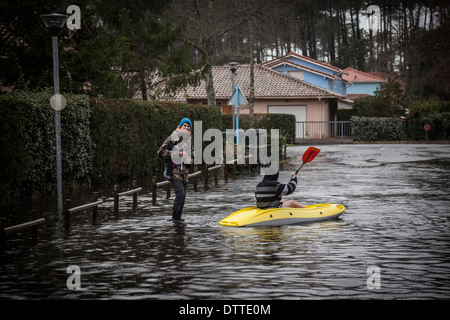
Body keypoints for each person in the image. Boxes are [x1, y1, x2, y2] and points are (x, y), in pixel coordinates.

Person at [158, 118, 193, 221]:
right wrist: (177, 154)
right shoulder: (172, 138)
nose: (186, 128)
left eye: (188, 126)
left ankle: (178, 220)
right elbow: (160, 152)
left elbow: (193, 155)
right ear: (180, 126)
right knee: (180, 194)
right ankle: (175, 219)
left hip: (184, 173)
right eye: (184, 126)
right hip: (173, 171)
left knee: (182, 197)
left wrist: (189, 160)